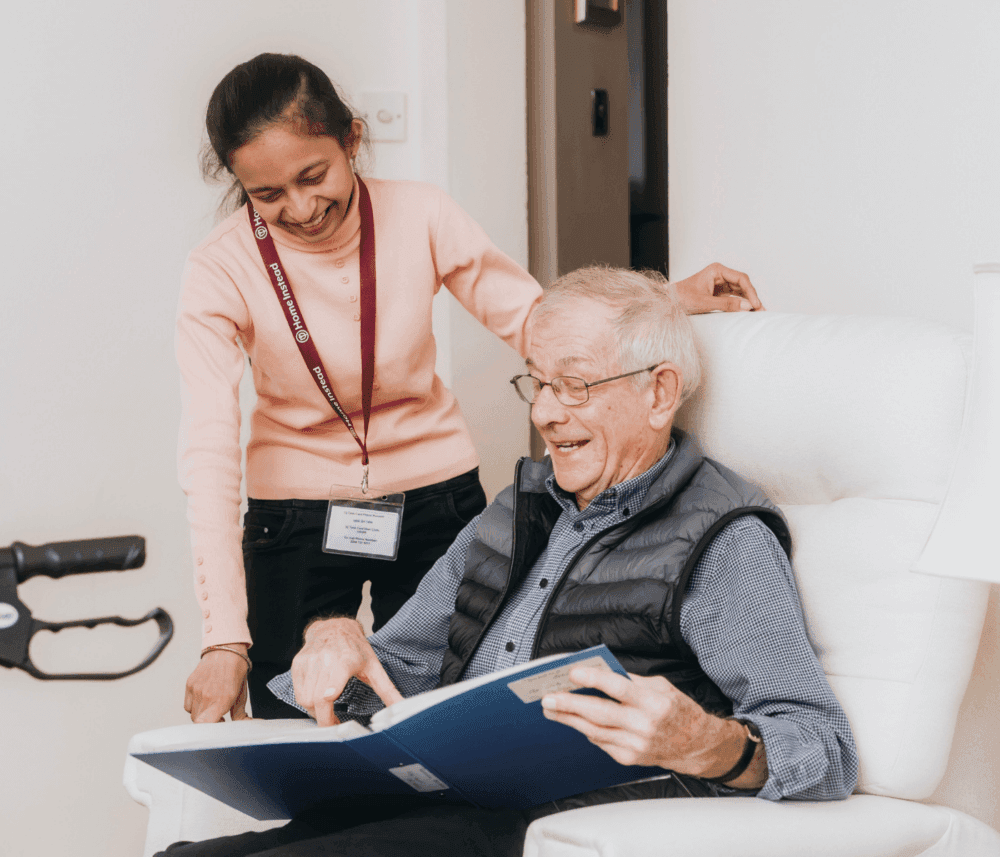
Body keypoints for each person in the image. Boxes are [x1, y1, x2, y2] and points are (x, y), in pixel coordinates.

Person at [160, 266, 856, 857]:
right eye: (538, 384)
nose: (548, 413)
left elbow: (824, 746)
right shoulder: (515, 509)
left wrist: (708, 742)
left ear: (660, 392)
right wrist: (336, 641)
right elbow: (397, 665)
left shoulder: (722, 537)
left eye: (574, 385)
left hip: (555, 827)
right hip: (440, 805)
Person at [178, 52, 765, 724]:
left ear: (351, 140)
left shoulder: (421, 213)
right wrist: (225, 637)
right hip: (295, 515)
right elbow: (209, 451)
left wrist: (662, 298)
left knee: (445, 714)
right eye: (268, 195)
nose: (302, 208)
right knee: (299, 723)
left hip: (435, 499)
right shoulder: (218, 269)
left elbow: (532, 318)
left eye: (314, 176)